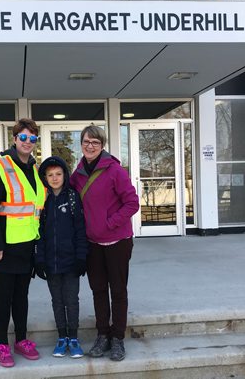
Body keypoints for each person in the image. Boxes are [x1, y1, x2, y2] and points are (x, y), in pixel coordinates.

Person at [70, 125, 139, 362]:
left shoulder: (114, 170)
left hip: (118, 241)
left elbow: (132, 203)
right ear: (81, 144)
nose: (90, 146)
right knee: (98, 290)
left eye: (95, 143)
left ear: (102, 146)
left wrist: (110, 223)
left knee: (118, 291)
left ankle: (117, 338)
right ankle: (103, 335)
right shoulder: (77, 174)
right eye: (87, 142)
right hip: (92, 243)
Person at [0, 118, 46, 368]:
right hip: (4, 248)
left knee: (22, 297)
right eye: (23, 137)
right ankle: (1, 344)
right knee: (4, 296)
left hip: (26, 245)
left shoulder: (34, 169)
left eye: (32, 139)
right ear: (15, 139)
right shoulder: (1, 166)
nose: (27, 142)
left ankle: (21, 339)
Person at [34, 156, 88, 359]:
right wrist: (39, 260)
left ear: (65, 175)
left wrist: (81, 257)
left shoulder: (73, 198)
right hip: (51, 262)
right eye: (50, 175)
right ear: (45, 178)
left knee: (71, 300)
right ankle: (62, 337)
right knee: (57, 300)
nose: (55, 178)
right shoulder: (43, 201)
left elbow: (80, 231)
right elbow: (38, 233)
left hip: (71, 261)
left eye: (58, 174)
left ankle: (73, 338)